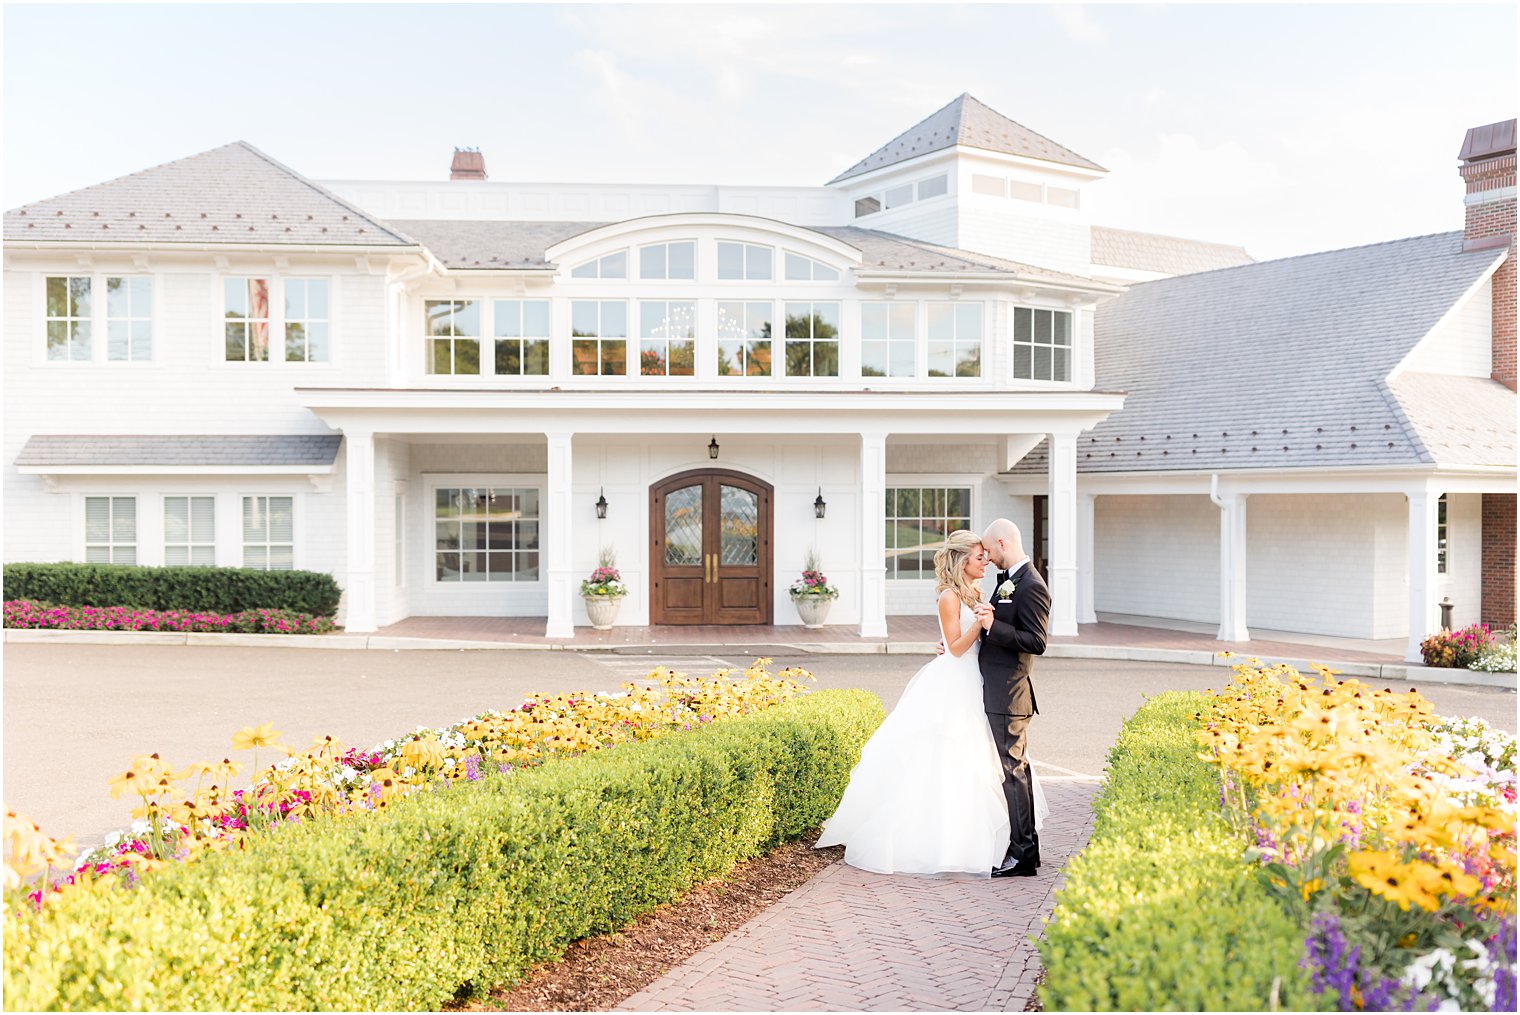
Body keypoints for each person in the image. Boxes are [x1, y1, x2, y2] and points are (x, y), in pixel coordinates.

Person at [814, 530, 1046, 875]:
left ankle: (998, 842)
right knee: (944, 759)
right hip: (955, 682)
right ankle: (939, 843)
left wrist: (983, 628)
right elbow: (954, 646)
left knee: (978, 763)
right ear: (961, 560)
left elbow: (980, 635)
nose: (985, 562)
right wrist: (981, 628)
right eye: (978, 557)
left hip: (978, 681)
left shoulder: (977, 591)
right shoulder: (950, 597)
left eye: (986, 555)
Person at [975, 518, 1051, 877]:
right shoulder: (1009, 582)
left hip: (1011, 693)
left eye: (988, 550)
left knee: (1013, 773)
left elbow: (1036, 642)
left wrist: (994, 627)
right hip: (999, 690)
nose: (986, 558)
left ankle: (1022, 855)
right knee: (1015, 771)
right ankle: (1025, 848)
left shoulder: (1031, 585)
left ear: (1003, 543)